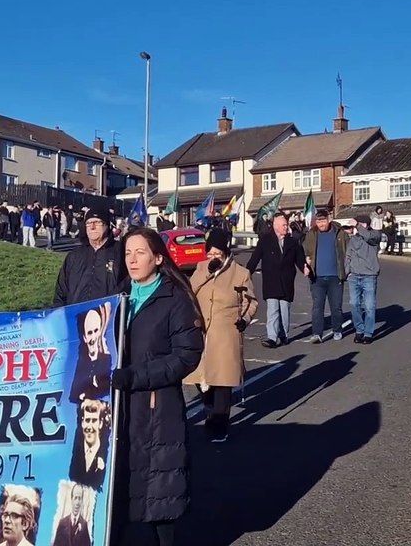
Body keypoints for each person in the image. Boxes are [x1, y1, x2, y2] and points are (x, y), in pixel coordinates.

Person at [110, 227, 204, 546]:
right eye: (128, 253)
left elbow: (186, 355)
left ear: (158, 258)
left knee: (159, 488)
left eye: (140, 253)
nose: (132, 259)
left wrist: (136, 376)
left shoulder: (174, 299)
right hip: (119, 405)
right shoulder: (119, 296)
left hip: (155, 405)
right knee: (119, 486)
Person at [188, 228, 258, 442]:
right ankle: (209, 407)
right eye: (209, 253)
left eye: (217, 253)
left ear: (226, 252)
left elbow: (251, 301)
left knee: (222, 380)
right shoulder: (200, 269)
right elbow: (189, 292)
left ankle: (220, 424)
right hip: (202, 331)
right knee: (200, 379)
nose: (213, 257)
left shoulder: (240, 273)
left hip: (226, 331)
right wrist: (206, 273)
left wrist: (244, 319)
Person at [245, 212, 305, 348]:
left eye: (286, 225)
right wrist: (246, 273)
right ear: (275, 226)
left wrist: (306, 269)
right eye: (283, 225)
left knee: (284, 310)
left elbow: (300, 260)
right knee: (273, 310)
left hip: (286, 281)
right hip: (271, 281)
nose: (286, 227)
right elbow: (254, 259)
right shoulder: (265, 241)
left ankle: (283, 334)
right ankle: (272, 337)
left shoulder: (293, 242)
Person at [54, 211, 125, 307]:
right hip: (75, 316)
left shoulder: (121, 253)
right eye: (88, 223)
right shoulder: (74, 256)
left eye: (97, 222)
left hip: (108, 317)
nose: (92, 227)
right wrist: (59, 312)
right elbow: (61, 290)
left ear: (107, 225)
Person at [302, 209, 348, 343]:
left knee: (336, 307)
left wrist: (347, 270)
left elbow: (348, 250)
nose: (321, 224)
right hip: (317, 277)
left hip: (336, 276)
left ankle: (337, 330)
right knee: (317, 307)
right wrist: (306, 260)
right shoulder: (312, 234)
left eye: (323, 221)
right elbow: (305, 251)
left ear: (329, 220)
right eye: (318, 221)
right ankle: (317, 333)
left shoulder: (339, 233)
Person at [345, 215, 383, 343]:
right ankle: (359, 330)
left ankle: (368, 333)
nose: (356, 227)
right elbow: (348, 256)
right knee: (354, 304)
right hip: (354, 276)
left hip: (369, 276)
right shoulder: (353, 239)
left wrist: (357, 225)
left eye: (359, 224)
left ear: (365, 224)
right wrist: (347, 272)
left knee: (369, 306)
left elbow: (370, 238)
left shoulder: (375, 235)